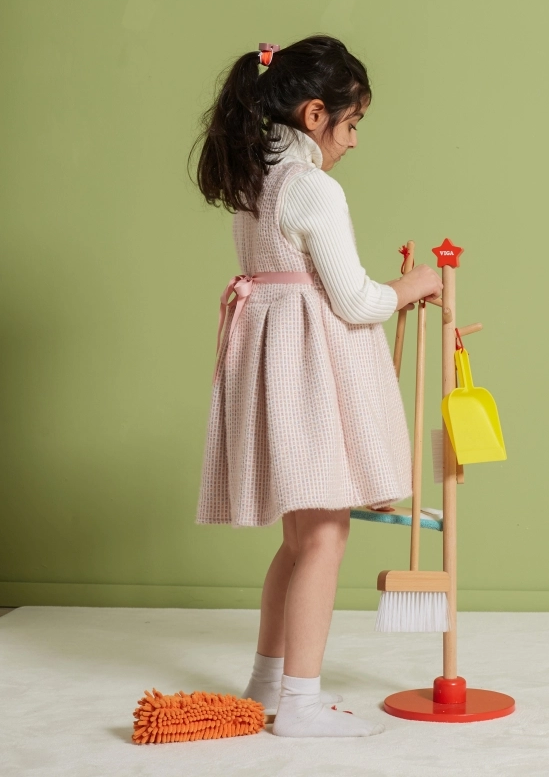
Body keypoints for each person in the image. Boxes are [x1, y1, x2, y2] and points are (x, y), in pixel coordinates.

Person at [193, 36, 440, 737]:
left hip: (274, 364)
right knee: (325, 535)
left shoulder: (257, 180)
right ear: (314, 114)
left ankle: (267, 682)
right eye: (351, 123)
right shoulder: (310, 187)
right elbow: (355, 300)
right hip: (306, 372)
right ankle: (300, 704)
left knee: (300, 539)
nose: (354, 141)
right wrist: (413, 285)